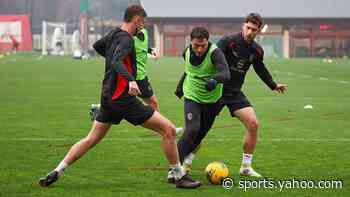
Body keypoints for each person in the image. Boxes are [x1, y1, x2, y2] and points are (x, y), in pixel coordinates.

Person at [38, 4, 201, 189]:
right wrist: (130, 80)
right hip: (122, 98)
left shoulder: (114, 34)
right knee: (169, 130)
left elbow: (98, 47)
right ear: (137, 19)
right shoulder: (126, 40)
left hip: (107, 97)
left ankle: (57, 170)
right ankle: (179, 176)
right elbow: (115, 60)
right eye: (143, 22)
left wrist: (116, 67)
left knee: (91, 139)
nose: (143, 26)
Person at [183, 13, 288, 177]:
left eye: (254, 29)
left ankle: (246, 167)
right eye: (247, 28)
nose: (249, 32)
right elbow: (208, 59)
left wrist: (273, 85)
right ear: (243, 26)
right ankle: (186, 163)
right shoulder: (227, 42)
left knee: (253, 124)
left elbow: (260, 69)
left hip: (234, 93)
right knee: (199, 130)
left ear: (259, 31)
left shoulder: (257, 51)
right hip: (216, 91)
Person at [90, 28, 184, 133]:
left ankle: (101, 108)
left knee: (130, 103)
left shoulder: (144, 32)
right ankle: (164, 129)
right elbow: (113, 52)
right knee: (152, 102)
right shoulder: (127, 38)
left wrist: (150, 50)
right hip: (135, 77)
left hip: (141, 75)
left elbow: (141, 46)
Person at [168, 27, 230, 182]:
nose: (200, 49)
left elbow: (226, 73)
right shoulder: (186, 52)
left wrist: (215, 80)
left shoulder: (215, 53)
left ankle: (182, 165)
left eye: (203, 45)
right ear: (191, 42)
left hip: (212, 101)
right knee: (191, 130)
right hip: (192, 96)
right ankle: (174, 171)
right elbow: (189, 71)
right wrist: (180, 86)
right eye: (196, 45)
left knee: (199, 135)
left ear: (207, 42)